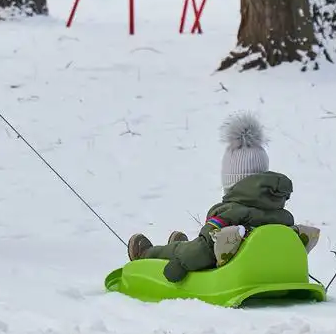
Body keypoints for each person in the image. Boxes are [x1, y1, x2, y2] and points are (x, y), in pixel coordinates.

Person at [126, 112, 320, 282]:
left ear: (231, 181)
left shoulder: (229, 213)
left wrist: (180, 265)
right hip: (270, 272)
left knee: (185, 251)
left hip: (235, 275)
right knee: (199, 244)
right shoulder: (283, 216)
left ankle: (146, 254)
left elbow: (203, 250)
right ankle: (181, 245)